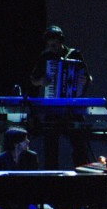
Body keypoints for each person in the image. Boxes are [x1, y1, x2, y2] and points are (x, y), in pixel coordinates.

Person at [29, 25, 94, 169]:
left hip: (72, 106)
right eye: (49, 44)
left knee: (79, 145)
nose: (52, 46)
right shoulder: (45, 57)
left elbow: (88, 77)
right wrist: (41, 81)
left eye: (54, 43)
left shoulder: (74, 54)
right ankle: (52, 177)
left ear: (61, 41)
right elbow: (33, 79)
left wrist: (84, 80)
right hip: (53, 108)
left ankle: (83, 174)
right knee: (51, 146)